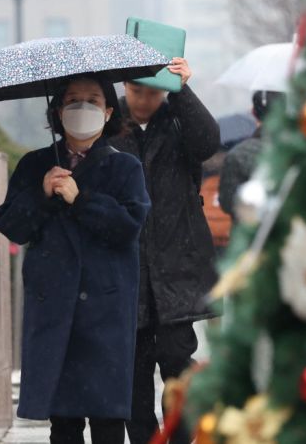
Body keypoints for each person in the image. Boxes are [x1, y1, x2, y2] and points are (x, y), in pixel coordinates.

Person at [0, 74, 150, 444]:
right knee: (63, 420)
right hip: (53, 308)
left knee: (107, 418)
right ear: (58, 110)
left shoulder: (125, 167)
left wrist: (81, 199)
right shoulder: (36, 164)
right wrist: (42, 193)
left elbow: (128, 226)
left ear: (109, 111)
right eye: (73, 100)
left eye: (93, 101)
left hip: (105, 309)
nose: (83, 108)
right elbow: (11, 225)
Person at [109, 58, 220, 444]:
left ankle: (181, 435)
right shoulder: (108, 126)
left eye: (153, 92)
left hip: (176, 264)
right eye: (137, 91)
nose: (144, 100)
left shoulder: (176, 120)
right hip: (128, 268)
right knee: (135, 371)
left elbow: (208, 141)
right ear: (124, 86)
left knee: (177, 358)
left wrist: (182, 91)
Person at [218, 90, 285, 219]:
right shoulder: (300, 149)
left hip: (250, 232)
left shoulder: (238, 154)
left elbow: (227, 203)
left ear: (253, 112)